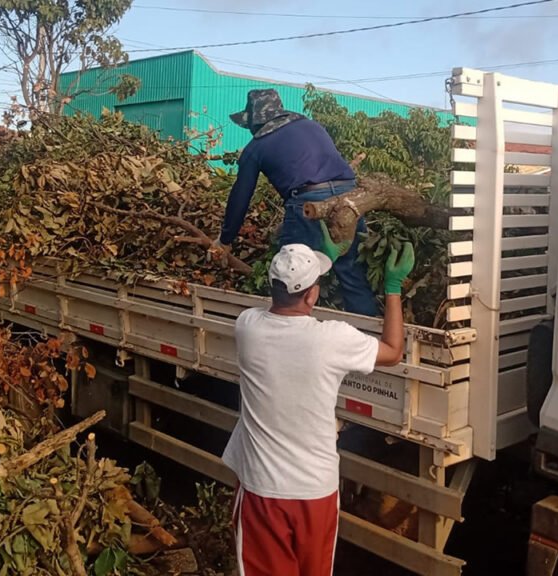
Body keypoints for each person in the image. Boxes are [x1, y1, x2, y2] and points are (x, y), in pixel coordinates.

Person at [222, 228, 415, 576]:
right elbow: (393, 351)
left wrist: (313, 262)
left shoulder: (247, 327)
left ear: (271, 287)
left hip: (263, 492)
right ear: (313, 295)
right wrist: (393, 287)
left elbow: (276, 307)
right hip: (317, 491)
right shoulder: (333, 339)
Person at [211, 88, 379, 316]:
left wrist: (226, 239)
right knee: (351, 271)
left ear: (255, 122)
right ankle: (368, 339)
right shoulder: (311, 126)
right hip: (350, 197)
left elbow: (241, 197)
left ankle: (291, 336)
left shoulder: (256, 147)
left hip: (310, 203)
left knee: (289, 277)